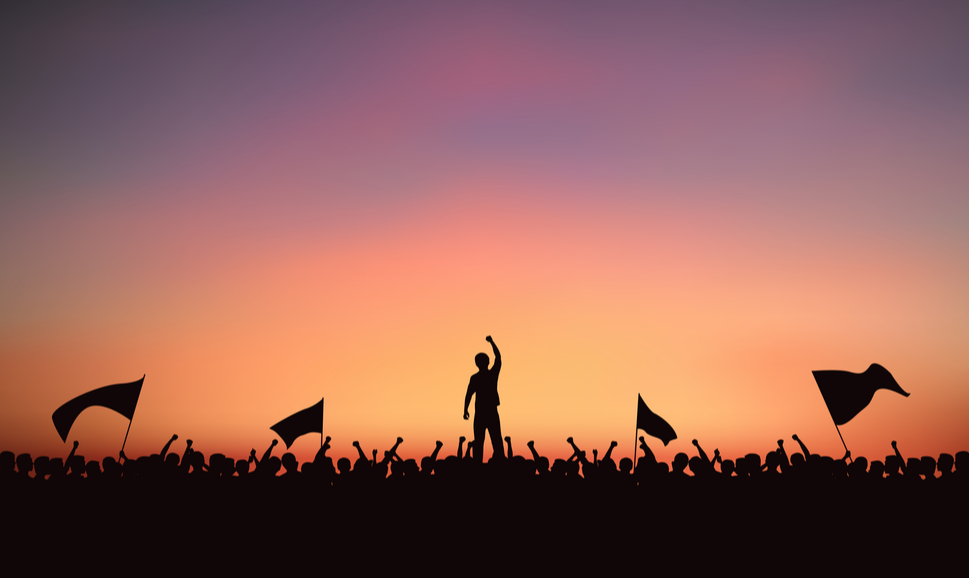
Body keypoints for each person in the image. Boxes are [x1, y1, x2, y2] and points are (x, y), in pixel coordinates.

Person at [463, 335, 503, 462]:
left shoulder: (479, 377)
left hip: (485, 412)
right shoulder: (487, 375)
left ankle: (482, 463)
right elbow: (498, 358)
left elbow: (468, 394)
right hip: (486, 412)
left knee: (486, 440)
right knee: (491, 440)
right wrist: (492, 342)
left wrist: (465, 410)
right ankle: (487, 463)